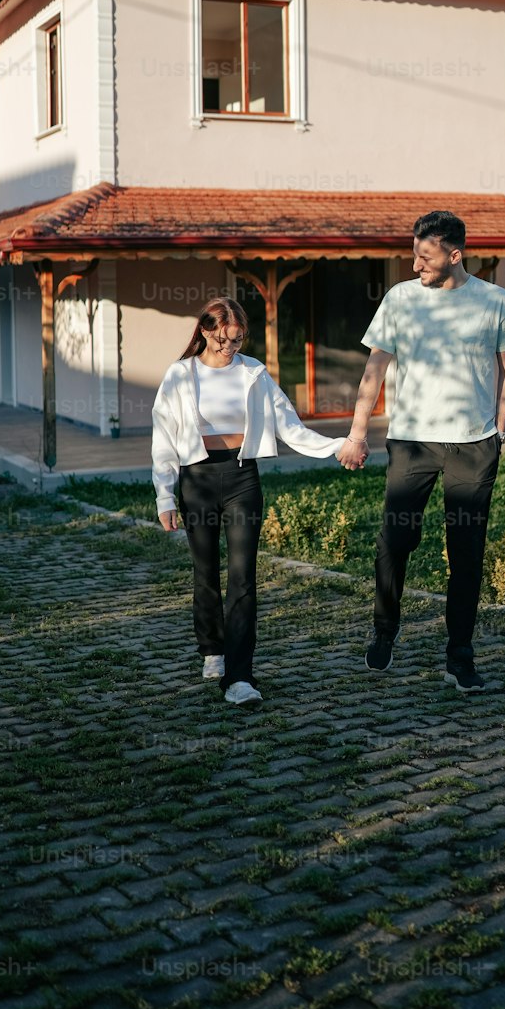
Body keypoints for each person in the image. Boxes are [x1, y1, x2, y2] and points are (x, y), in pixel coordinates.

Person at [344, 210, 505, 691]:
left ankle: (459, 656)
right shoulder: (400, 299)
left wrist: (498, 433)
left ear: (455, 255)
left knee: (466, 553)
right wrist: (358, 434)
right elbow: (374, 371)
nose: (415, 264)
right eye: (414, 253)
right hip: (412, 443)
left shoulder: (495, 301)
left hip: (474, 447)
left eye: (425, 256)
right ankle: (385, 629)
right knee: (394, 542)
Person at [152, 295, 357, 704]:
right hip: (198, 480)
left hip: (243, 478)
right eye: (223, 339)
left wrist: (337, 445)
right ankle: (212, 649)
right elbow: (164, 438)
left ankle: (240, 676)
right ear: (206, 332)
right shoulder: (180, 374)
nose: (230, 347)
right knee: (205, 573)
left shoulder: (255, 374)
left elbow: (290, 426)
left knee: (243, 578)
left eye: (238, 339)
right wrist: (165, 496)